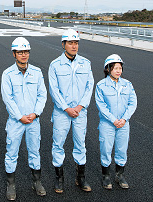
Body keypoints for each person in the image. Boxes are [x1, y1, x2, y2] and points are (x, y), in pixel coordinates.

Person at [1, 37, 47, 200]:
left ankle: (36, 182)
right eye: (20, 52)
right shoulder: (7, 74)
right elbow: (8, 98)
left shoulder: (37, 72)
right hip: (16, 121)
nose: (24, 55)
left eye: (26, 52)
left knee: (34, 151)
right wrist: (20, 116)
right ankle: (11, 185)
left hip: (34, 120)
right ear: (14, 54)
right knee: (12, 152)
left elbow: (42, 94)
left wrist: (35, 114)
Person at [48, 28, 94, 193]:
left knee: (80, 144)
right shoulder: (55, 65)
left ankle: (80, 178)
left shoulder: (86, 63)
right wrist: (66, 108)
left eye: (76, 43)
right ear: (63, 44)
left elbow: (89, 87)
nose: (74, 46)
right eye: (70, 43)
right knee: (58, 144)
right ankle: (59, 178)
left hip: (80, 112)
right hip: (62, 112)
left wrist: (80, 106)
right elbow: (54, 90)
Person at [95, 54, 137, 190]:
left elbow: (133, 103)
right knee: (106, 149)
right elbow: (101, 106)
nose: (118, 71)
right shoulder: (101, 86)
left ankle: (120, 175)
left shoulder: (127, 85)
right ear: (108, 69)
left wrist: (124, 119)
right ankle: (106, 176)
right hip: (108, 124)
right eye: (115, 68)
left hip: (123, 124)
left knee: (121, 149)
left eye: (120, 68)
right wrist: (113, 120)